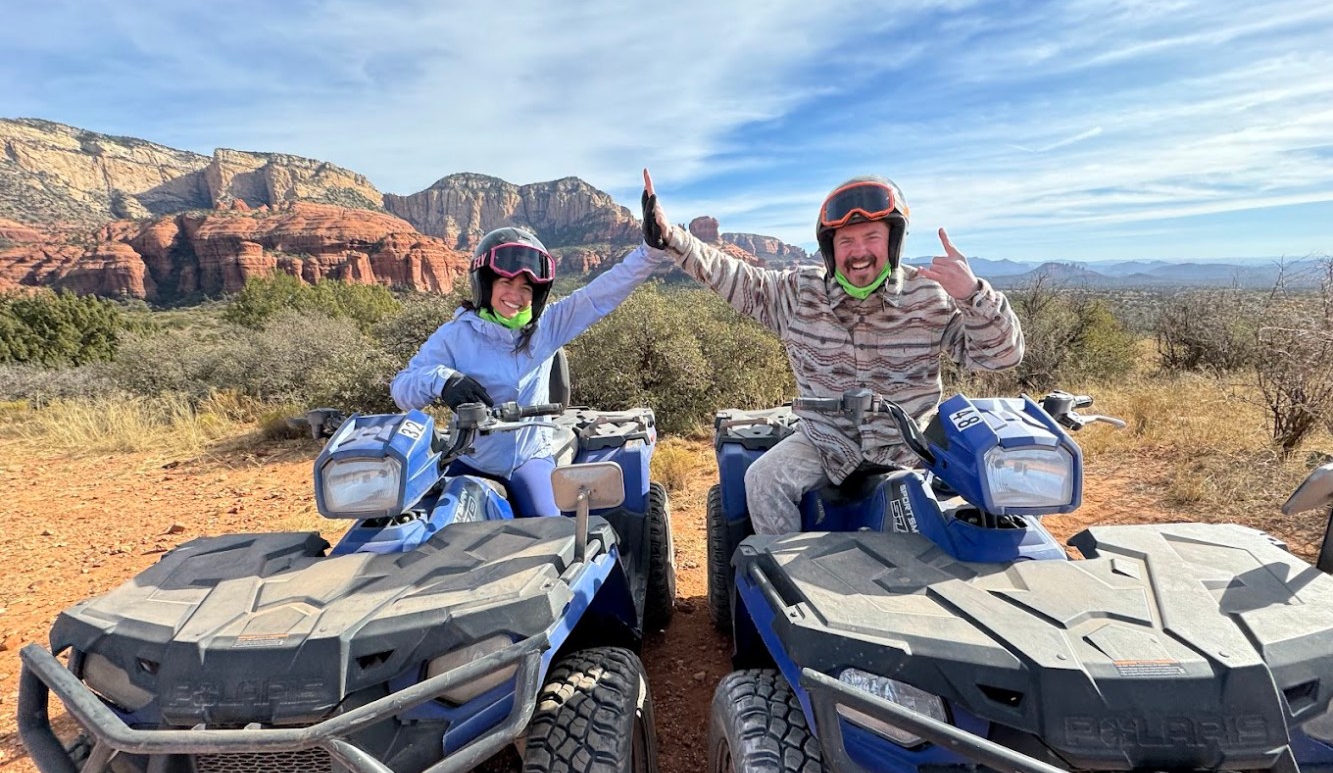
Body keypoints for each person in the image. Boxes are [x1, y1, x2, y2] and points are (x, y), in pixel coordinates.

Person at [640, 169, 1023, 535]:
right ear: (830, 248)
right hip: (824, 442)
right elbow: (735, 275)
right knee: (763, 478)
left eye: (871, 237)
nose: (859, 252)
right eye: (846, 241)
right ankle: (787, 585)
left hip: (908, 450)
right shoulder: (798, 293)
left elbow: (1001, 356)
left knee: (941, 516)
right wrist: (672, 237)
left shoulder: (929, 296)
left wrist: (973, 295)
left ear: (892, 241)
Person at [391, 226, 669, 517]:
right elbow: (402, 389)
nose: (516, 295)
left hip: (528, 460)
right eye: (506, 283)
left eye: (526, 288)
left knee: (553, 538)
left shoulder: (547, 327)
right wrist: (443, 381)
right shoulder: (454, 336)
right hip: (470, 460)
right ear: (485, 283)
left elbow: (600, 295)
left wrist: (649, 252)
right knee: (431, 531)